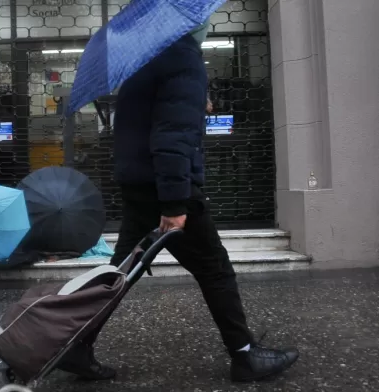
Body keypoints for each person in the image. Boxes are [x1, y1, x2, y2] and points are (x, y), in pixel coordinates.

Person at [56, 25, 299, 382]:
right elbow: (170, 138)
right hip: (165, 189)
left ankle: (77, 344)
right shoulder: (182, 55)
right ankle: (245, 355)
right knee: (215, 270)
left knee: (119, 272)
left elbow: (150, 121)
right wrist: (174, 205)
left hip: (139, 183)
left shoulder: (146, 56)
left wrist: (194, 103)